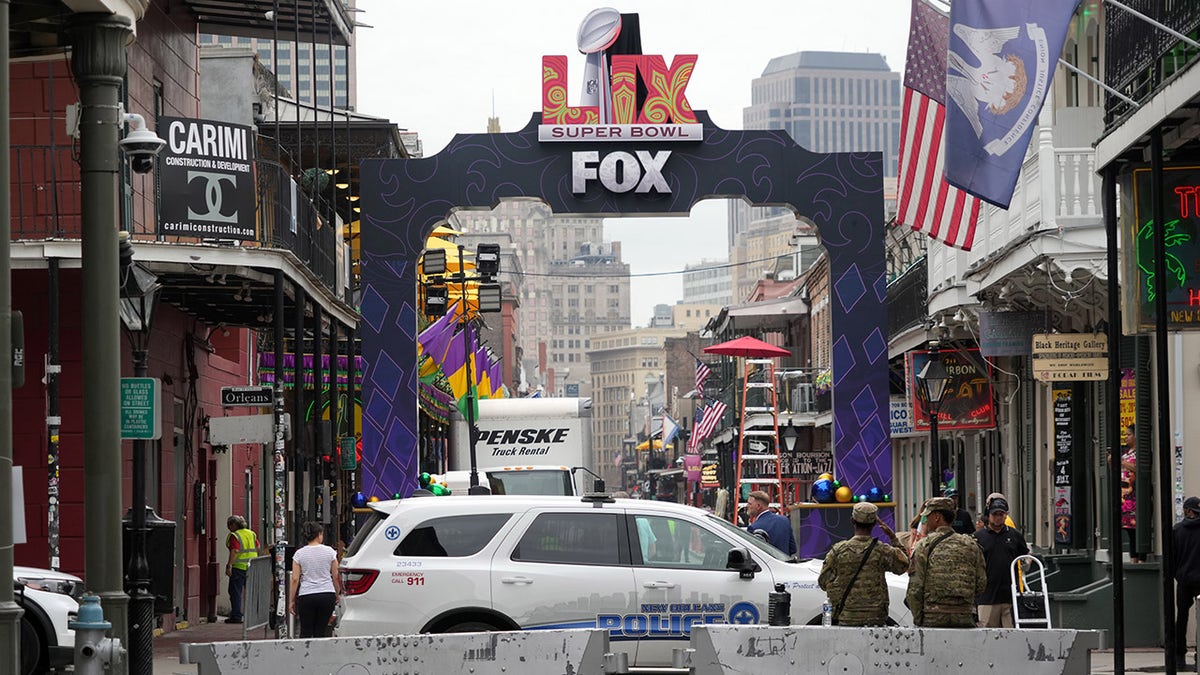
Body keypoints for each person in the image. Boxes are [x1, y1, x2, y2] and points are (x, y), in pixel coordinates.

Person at [818, 502, 909, 626]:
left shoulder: (838, 550)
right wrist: (892, 537)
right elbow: (903, 565)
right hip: (875, 618)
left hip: (846, 616)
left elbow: (823, 582)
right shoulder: (883, 550)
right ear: (874, 524)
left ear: (852, 520)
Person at [905, 497, 986, 627]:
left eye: (928, 516)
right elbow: (981, 584)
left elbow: (915, 589)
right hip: (964, 617)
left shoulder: (925, 545)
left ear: (937, 517)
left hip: (933, 618)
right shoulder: (971, 545)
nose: (925, 520)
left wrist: (919, 619)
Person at [973, 494, 1029, 627]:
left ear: (1006, 515)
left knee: (1010, 636)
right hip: (986, 596)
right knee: (986, 636)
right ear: (989, 515)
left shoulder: (1014, 535)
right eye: (995, 514)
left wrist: (1026, 564)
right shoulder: (978, 537)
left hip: (1009, 596)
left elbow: (1026, 554)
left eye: (1001, 514)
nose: (998, 518)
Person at [289, 521, 342, 638]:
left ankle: (305, 654)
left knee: (306, 631)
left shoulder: (299, 554)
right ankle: (320, 655)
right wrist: (338, 594)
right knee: (321, 630)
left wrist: (291, 600)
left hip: (306, 595)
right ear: (319, 534)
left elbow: (295, 579)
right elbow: (335, 575)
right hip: (327, 594)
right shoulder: (330, 552)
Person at [1172, 496, 1200, 669]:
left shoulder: (1177, 530)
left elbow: (1172, 558)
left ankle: (1179, 655)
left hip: (1184, 580)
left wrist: (1178, 574)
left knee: (1182, 617)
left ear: (1187, 511)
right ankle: (1199, 654)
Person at [225, 515, 260, 624]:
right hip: (252, 567)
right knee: (251, 592)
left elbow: (235, 550)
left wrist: (229, 565)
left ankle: (236, 616)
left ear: (234, 525)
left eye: (229, 525)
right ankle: (255, 616)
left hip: (239, 568)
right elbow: (257, 547)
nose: (228, 528)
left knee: (235, 592)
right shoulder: (251, 533)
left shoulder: (234, 535)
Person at [745, 490, 797, 556]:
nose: (747, 506)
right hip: (784, 564)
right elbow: (793, 549)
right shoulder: (784, 521)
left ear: (758, 506)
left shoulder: (754, 528)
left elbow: (753, 555)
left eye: (749, 504)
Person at [1121, 424, 1142, 563]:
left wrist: (1122, 462)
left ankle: (1141, 559)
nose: (1126, 437)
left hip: (1136, 496)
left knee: (1137, 528)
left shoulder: (1140, 452)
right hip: (1124, 497)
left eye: (1128, 434)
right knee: (1129, 529)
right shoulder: (1126, 453)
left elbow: (1138, 468)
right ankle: (1133, 558)